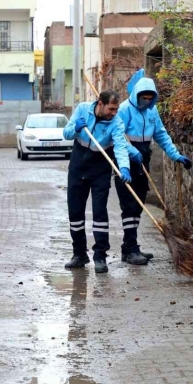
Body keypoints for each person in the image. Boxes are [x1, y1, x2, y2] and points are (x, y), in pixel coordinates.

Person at [115, 71, 192, 265]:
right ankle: (131, 249)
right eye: (144, 98)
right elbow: (116, 137)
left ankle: (129, 247)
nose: (146, 101)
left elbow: (161, 134)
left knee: (139, 202)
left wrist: (176, 155)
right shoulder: (124, 109)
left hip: (144, 157)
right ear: (137, 95)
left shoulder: (152, 111)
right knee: (129, 204)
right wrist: (131, 151)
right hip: (125, 158)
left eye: (150, 98)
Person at [63, 90, 130, 274]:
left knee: (100, 212)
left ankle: (100, 256)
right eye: (111, 108)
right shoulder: (83, 109)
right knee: (75, 213)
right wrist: (76, 128)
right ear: (100, 103)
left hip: (100, 170)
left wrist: (124, 167)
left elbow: (121, 146)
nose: (114, 113)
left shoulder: (116, 123)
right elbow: (66, 133)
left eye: (116, 109)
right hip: (77, 168)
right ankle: (79, 254)